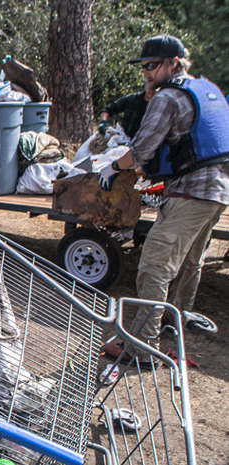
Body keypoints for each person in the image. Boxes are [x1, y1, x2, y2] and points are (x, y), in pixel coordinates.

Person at [99, 35, 229, 366]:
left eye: (152, 65)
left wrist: (112, 167)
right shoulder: (206, 88)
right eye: (143, 65)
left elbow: (141, 152)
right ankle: (176, 319)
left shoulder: (168, 97)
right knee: (188, 261)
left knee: (155, 266)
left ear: (173, 63)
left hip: (191, 191)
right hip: (218, 190)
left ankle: (143, 347)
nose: (146, 72)